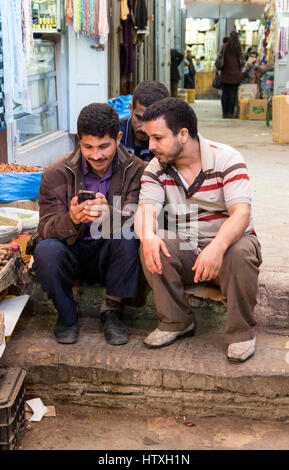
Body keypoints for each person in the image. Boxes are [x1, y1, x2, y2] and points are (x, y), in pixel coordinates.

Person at [135, 97, 262, 363]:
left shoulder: (226, 158)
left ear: (183, 135)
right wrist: (147, 236)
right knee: (155, 241)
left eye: (158, 138)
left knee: (239, 251)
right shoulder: (156, 168)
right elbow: (146, 211)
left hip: (229, 248)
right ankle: (175, 321)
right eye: (149, 138)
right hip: (190, 250)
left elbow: (241, 213)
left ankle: (241, 333)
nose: (151, 146)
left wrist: (217, 247)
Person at [31, 103, 146, 346]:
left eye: (104, 146)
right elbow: (44, 229)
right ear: (78, 141)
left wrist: (110, 215)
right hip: (72, 252)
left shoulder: (136, 170)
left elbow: (141, 219)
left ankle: (112, 311)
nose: (96, 155)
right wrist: (71, 219)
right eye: (88, 147)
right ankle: (67, 316)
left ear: (118, 138)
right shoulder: (55, 173)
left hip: (111, 255)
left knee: (127, 236)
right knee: (46, 250)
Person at [120, 80, 169, 162]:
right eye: (139, 118)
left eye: (150, 121)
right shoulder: (114, 133)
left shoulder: (170, 138)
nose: (143, 129)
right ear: (131, 108)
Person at [219, 31, 245, 118]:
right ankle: (230, 113)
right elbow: (242, 61)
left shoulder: (224, 46)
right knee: (233, 94)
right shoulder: (239, 47)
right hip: (236, 75)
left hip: (225, 75)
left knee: (225, 94)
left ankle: (224, 113)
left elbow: (219, 58)